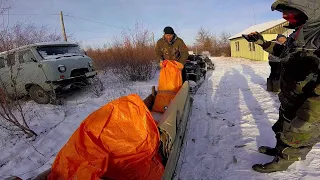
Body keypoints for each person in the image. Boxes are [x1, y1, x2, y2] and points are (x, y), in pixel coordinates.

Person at [246, 0, 320, 173]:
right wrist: (262, 43)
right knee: (283, 128)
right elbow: (284, 53)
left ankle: (284, 160)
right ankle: (280, 151)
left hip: (309, 103)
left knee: (297, 133)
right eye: (284, 13)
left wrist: (312, 112)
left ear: (310, 11)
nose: (285, 16)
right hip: (291, 97)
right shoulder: (299, 33)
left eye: (289, 12)